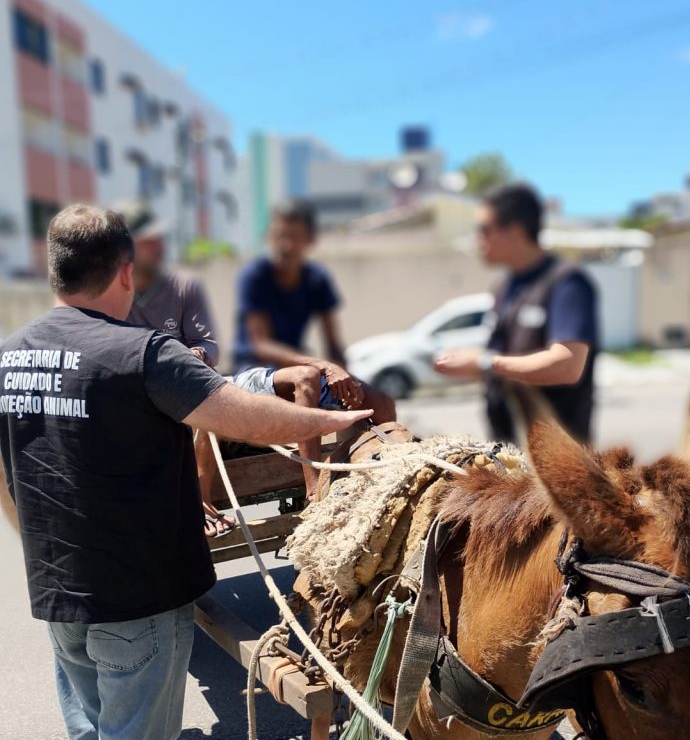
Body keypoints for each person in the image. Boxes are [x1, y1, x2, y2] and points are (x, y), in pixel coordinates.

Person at [0, 205, 372, 740]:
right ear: (125, 272)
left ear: (54, 270)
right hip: (137, 597)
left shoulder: (10, 356)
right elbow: (248, 419)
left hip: (59, 594)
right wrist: (333, 424)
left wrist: (35, 544)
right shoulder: (143, 352)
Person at [215, 200, 395, 501]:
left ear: (309, 240)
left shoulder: (316, 278)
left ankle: (378, 479)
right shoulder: (255, 276)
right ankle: (314, 487)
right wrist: (325, 366)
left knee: (380, 401)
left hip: (301, 372)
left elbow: (334, 344)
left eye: (294, 236)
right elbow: (261, 344)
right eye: (280, 236)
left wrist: (347, 379)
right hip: (254, 377)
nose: (286, 244)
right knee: (307, 377)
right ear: (270, 237)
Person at [434, 181, 598, 443]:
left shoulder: (566, 283)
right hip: (509, 447)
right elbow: (506, 360)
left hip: (557, 456)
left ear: (516, 231)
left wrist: (484, 363)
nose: (478, 240)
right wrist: (468, 364)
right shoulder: (504, 287)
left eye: (484, 230)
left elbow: (567, 365)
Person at [119, 211, 234, 538]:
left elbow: (209, 345)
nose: (158, 246)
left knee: (205, 402)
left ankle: (201, 500)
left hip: (182, 385)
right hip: (134, 390)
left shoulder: (184, 286)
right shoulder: (112, 291)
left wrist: (192, 357)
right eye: (148, 241)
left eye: (158, 239)